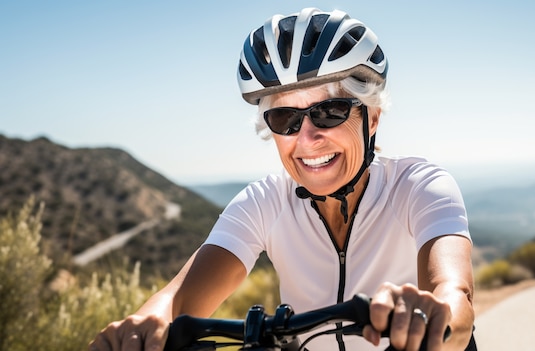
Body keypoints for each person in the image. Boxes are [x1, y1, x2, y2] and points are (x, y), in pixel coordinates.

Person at [89, 7, 476, 351]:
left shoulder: (418, 186)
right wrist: (143, 326)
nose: (307, 138)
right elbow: (176, 299)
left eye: (331, 111)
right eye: (285, 119)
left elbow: (454, 294)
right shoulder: (264, 202)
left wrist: (437, 314)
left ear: (372, 118)